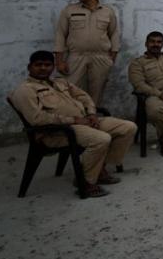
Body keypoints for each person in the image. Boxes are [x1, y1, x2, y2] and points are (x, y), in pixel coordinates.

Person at [9, 51, 136, 198]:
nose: (43, 68)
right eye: (38, 65)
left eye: (47, 65)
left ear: (53, 67)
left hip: (84, 122)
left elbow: (84, 96)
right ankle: (86, 182)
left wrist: (91, 113)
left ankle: (99, 169)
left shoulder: (60, 82)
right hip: (57, 132)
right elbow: (37, 119)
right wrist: (74, 120)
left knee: (128, 127)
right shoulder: (25, 90)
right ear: (29, 67)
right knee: (101, 139)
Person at [54, 0, 120, 106]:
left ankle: (92, 120)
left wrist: (111, 58)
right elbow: (60, 35)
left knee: (97, 92)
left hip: (101, 58)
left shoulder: (107, 11)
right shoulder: (69, 10)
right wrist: (59, 61)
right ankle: (75, 120)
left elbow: (114, 34)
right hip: (76, 56)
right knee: (71, 89)